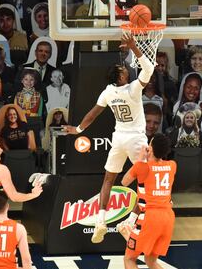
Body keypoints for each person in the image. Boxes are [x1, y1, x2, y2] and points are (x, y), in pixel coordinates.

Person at [64, 33, 155, 244]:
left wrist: (77, 130)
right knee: (147, 184)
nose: (127, 71)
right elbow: (148, 69)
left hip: (119, 139)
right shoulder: (133, 89)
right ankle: (130, 221)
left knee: (108, 180)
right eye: (124, 71)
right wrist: (134, 47)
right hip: (136, 140)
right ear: (121, 78)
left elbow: (92, 114)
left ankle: (100, 221)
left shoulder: (107, 92)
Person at [119, 134, 187, 269]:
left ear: (151, 148)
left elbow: (124, 182)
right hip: (167, 217)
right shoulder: (172, 166)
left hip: (150, 216)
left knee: (129, 259)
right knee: (151, 261)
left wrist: (141, 159)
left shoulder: (143, 167)